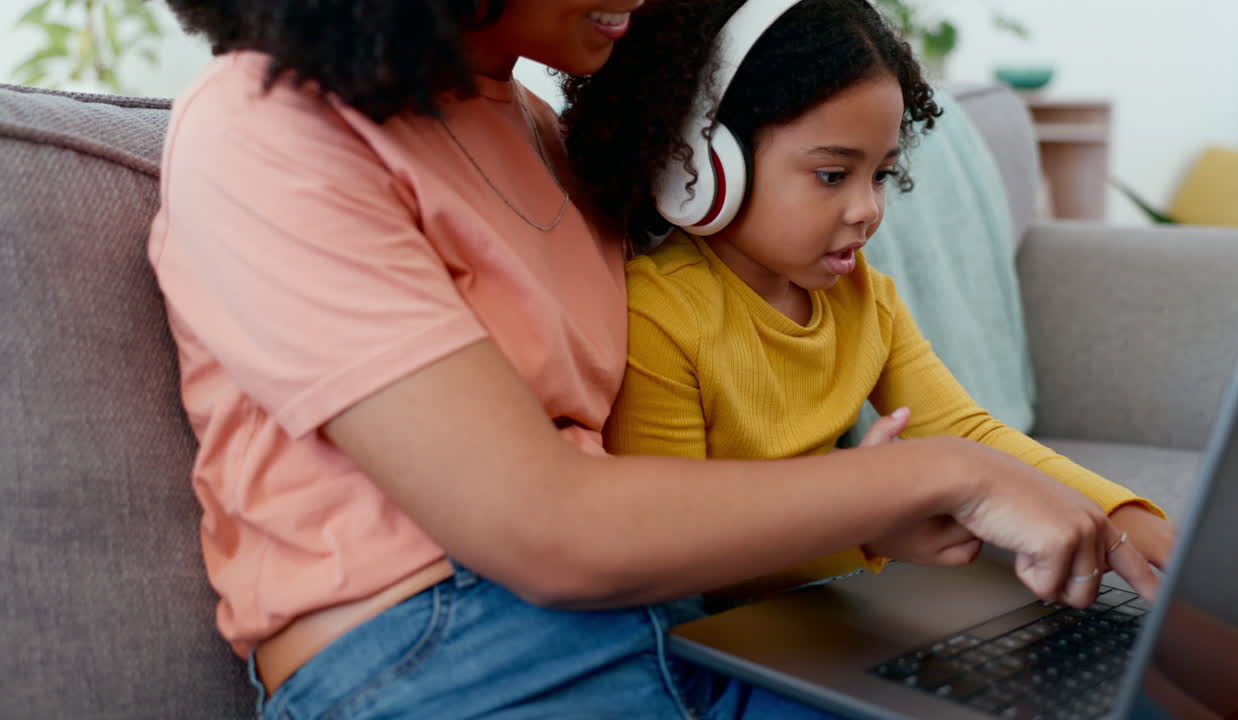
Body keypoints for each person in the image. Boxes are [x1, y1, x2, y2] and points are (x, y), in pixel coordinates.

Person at [151, 0, 1170, 717]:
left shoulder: (546, 134)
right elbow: (542, 531)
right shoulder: (267, 127)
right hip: (432, 653)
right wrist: (930, 476)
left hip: (684, 630)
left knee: (1160, 686)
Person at [563, 0, 1177, 604]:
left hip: (839, 604)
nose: (868, 210)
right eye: (833, 175)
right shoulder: (659, 315)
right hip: (728, 632)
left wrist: (1123, 513)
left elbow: (965, 429)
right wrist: (863, 531)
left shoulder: (863, 295)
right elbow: (674, 555)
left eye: (881, 174)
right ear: (700, 166)